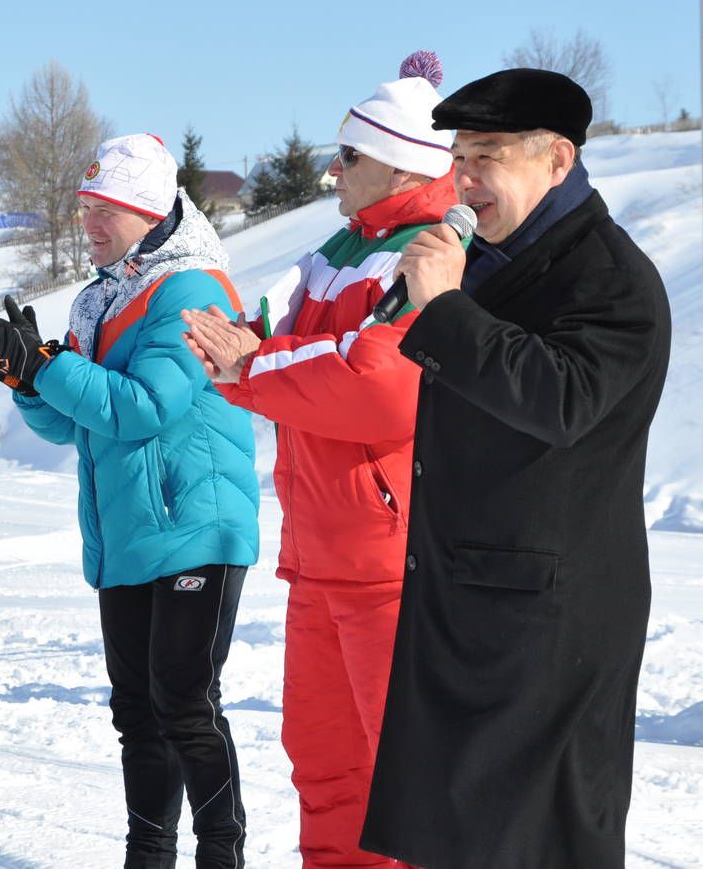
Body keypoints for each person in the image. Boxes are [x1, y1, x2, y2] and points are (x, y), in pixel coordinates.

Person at [358, 69, 671, 869]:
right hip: (465, 603)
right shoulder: (490, 257)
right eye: (458, 157)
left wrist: (447, 308)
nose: (463, 179)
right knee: (456, 838)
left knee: (538, 844)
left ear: (556, 161)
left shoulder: (614, 281)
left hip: (549, 630)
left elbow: (560, 399)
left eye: (486, 156)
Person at [0, 132, 260, 869]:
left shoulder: (192, 289)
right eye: (84, 206)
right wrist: (25, 376)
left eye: (106, 210)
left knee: (184, 705)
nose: (89, 221)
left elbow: (145, 406)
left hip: (194, 524)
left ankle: (223, 856)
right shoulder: (100, 298)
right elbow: (69, 420)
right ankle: (146, 859)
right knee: (138, 716)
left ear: (150, 214)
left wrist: (47, 367)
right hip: (125, 535)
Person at [182, 52, 456, 868]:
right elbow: (272, 349)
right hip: (318, 555)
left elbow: (375, 383)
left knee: (401, 778)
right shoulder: (335, 248)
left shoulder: (433, 249)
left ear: (401, 161)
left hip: (391, 560)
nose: (332, 171)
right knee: (324, 762)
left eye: (350, 157)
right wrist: (242, 363)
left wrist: (254, 369)